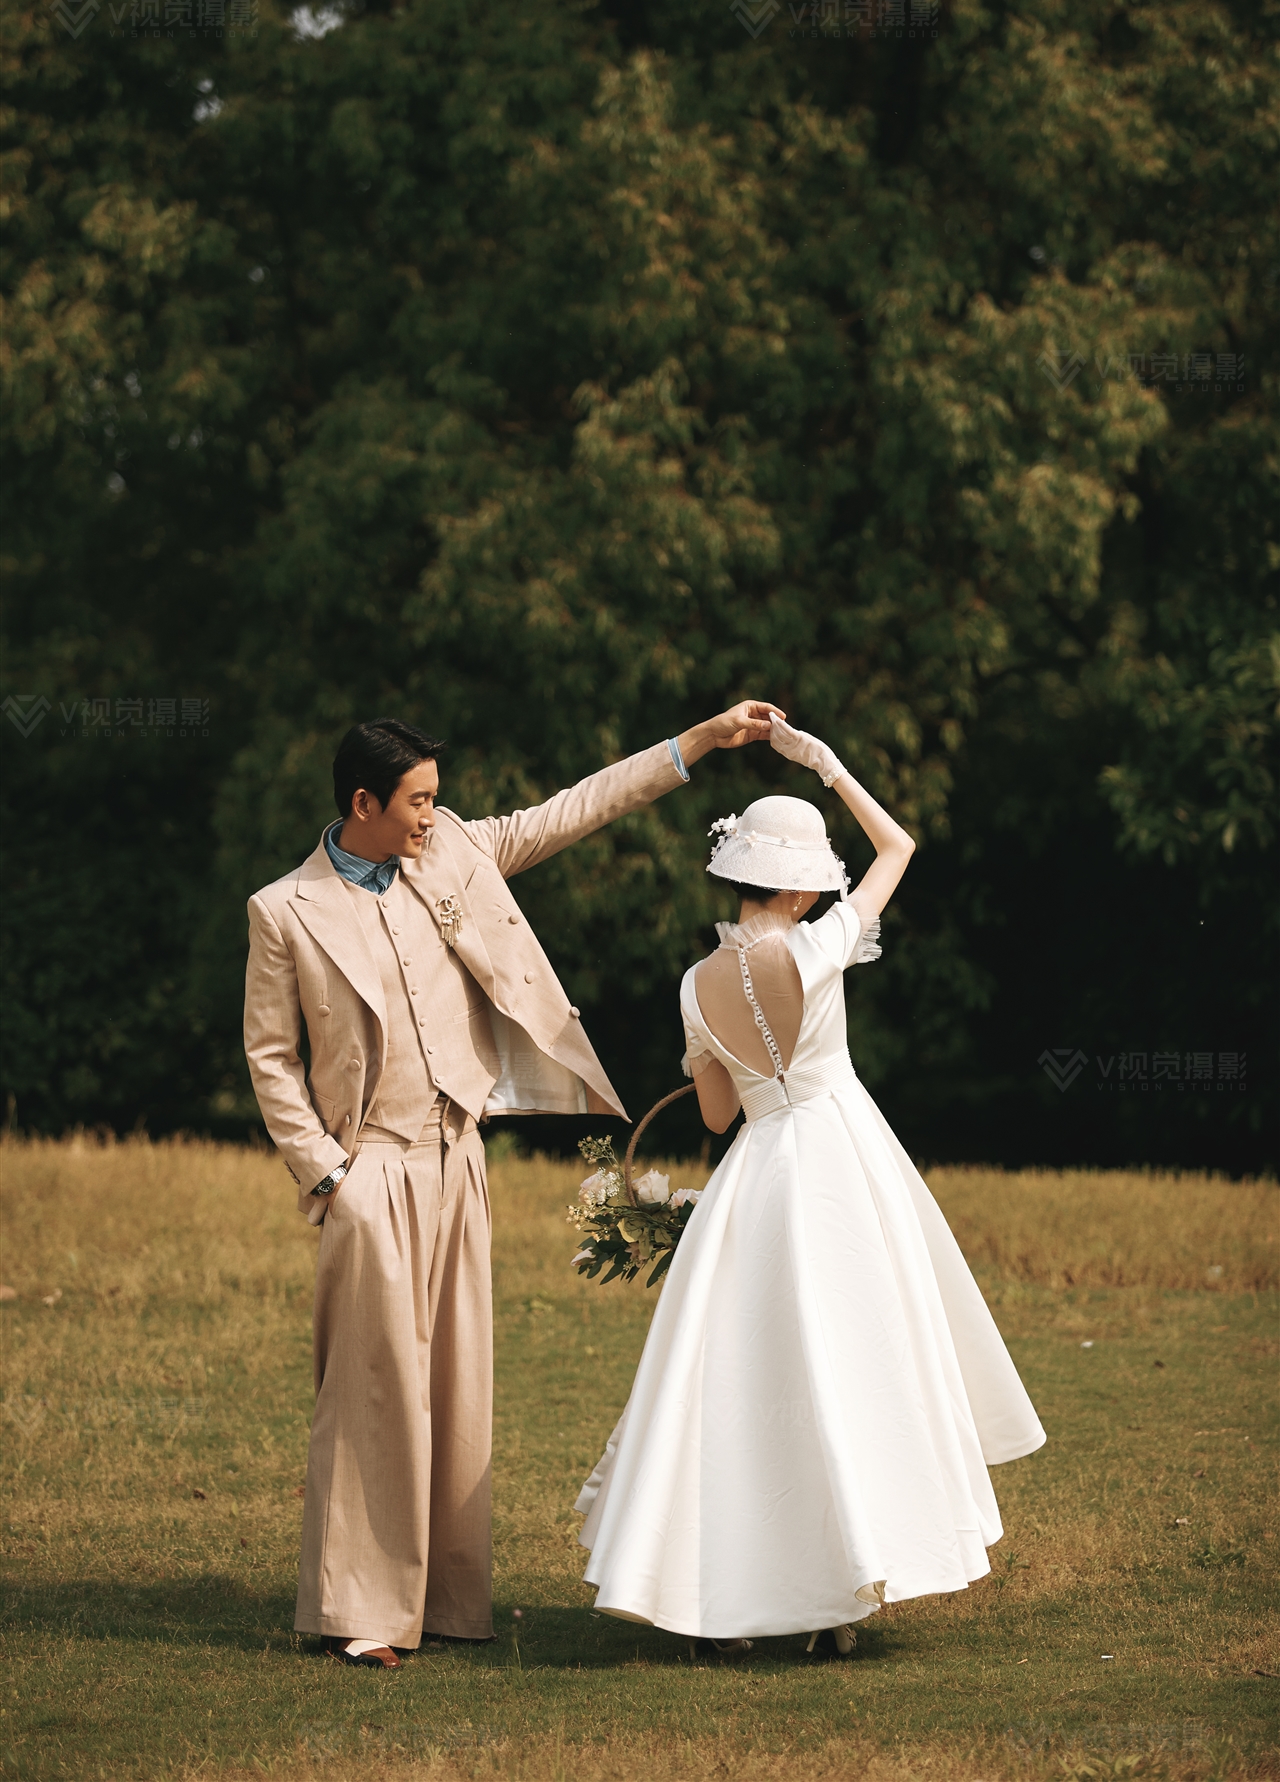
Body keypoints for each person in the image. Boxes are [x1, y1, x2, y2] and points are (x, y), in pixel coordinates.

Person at [243, 700, 783, 1669]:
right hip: (370, 1169)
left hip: (460, 1155)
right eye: (416, 801)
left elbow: (572, 810)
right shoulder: (284, 910)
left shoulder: (452, 848)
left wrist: (698, 742)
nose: (431, 815)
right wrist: (330, 1174)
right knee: (372, 1389)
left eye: (435, 799)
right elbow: (271, 1059)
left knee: (457, 1386)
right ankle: (361, 1611)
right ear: (362, 803)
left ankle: (448, 1602)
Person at [575, 714, 1047, 1654]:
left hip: (758, 1176)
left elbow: (717, 1119)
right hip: (842, 1162)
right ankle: (837, 1597)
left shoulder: (693, 983)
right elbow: (898, 847)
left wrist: (718, 1058)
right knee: (856, 1360)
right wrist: (824, 761)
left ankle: (733, 1598)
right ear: (798, 886)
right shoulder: (819, 944)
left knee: (747, 1371)